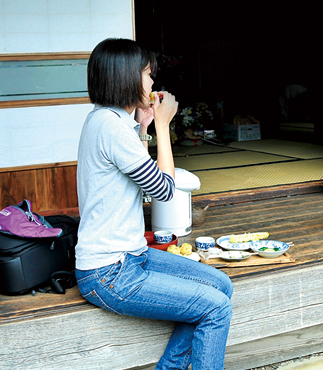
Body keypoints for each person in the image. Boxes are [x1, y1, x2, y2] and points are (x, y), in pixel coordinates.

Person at [75, 38, 233, 370]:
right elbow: (162, 190)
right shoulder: (113, 129)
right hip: (109, 273)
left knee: (221, 284)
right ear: (126, 78)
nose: (151, 83)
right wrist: (163, 126)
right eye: (147, 74)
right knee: (216, 307)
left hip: (130, 256)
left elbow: (133, 173)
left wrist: (144, 126)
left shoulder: (104, 120)